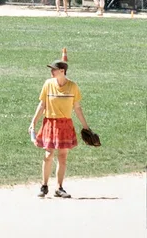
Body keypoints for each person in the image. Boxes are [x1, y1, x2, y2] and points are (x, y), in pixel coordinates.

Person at [30, 51, 92, 197]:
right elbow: (42, 105)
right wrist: (33, 122)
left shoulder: (72, 86)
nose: (51, 71)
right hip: (50, 123)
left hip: (65, 124)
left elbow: (77, 108)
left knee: (62, 156)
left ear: (62, 71)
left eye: (54, 69)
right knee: (48, 154)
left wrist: (85, 126)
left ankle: (59, 187)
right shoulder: (48, 84)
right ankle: (44, 186)